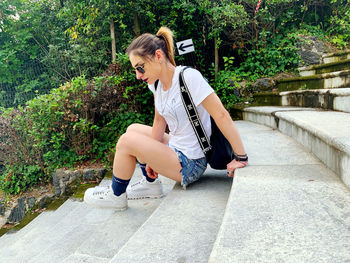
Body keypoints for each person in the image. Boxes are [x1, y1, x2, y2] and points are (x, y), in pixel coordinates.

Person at [84, 27, 247, 211]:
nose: (138, 75)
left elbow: (221, 114)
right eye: (135, 70)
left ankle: (116, 195)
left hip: (191, 162)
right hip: (176, 148)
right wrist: (151, 161)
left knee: (126, 141)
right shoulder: (157, 85)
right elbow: (159, 122)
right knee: (133, 129)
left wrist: (241, 157)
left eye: (140, 67)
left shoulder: (189, 78)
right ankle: (150, 184)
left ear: (158, 56)